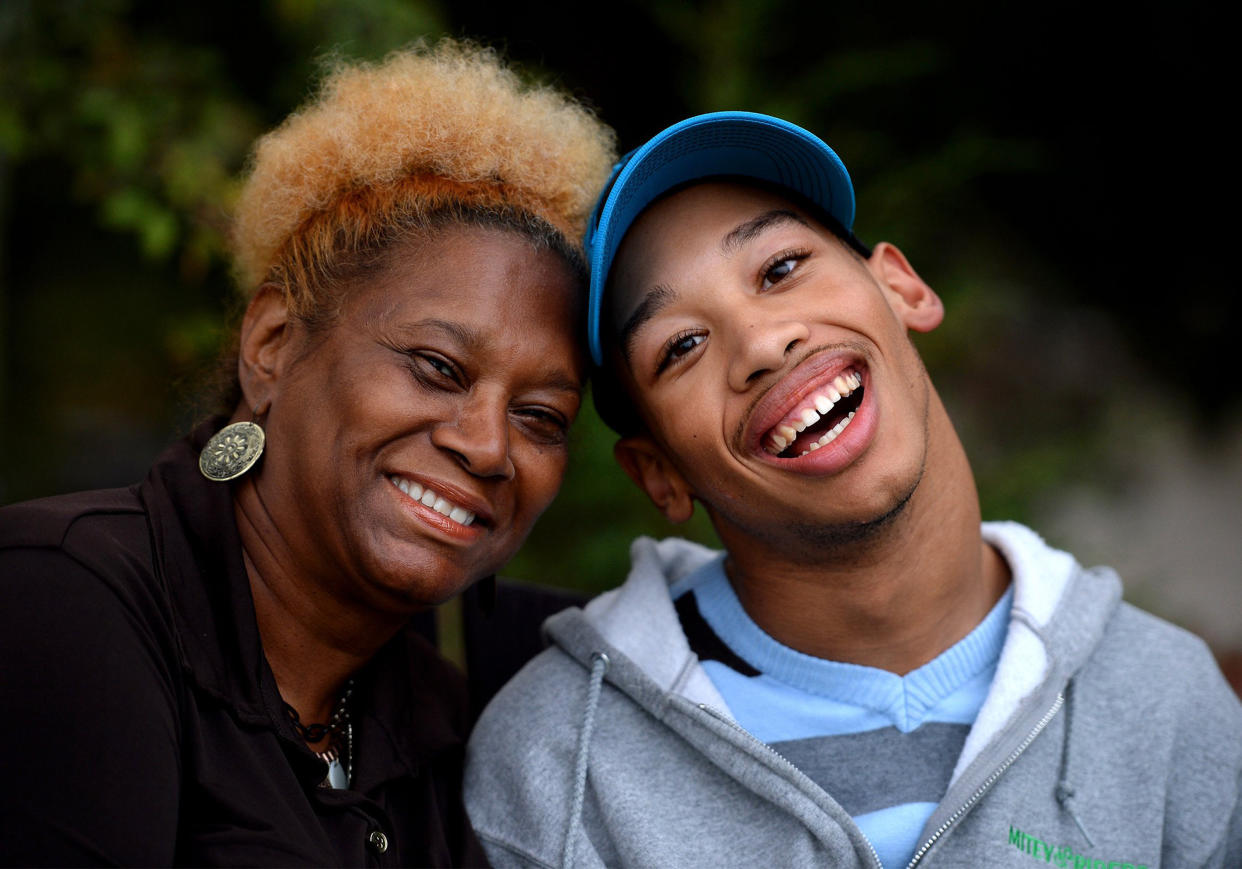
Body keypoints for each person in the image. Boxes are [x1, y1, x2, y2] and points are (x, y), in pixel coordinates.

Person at [464, 112, 1242, 867]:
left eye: (780, 269)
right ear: (659, 474)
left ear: (902, 288)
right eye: (683, 345)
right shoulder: (558, 766)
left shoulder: (1169, 705)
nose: (764, 343)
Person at [0, 40, 615, 866]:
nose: (487, 443)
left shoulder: (453, 710)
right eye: (437, 368)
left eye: (541, 415)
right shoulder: (69, 598)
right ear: (273, 345)